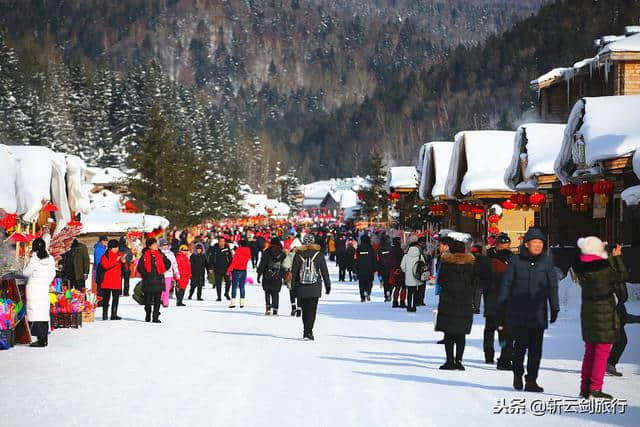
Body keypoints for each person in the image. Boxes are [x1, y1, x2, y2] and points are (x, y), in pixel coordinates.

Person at [497, 228, 559, 393]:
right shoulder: (516, 261)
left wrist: (554, 307)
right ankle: (518, 373)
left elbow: (552, 285)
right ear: (526, 244)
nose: (538, 246)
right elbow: (506, 285)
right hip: (518, 311)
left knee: (536, 350)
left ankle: (531, 380)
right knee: (520, 347)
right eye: (535, 242)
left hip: (538, 313)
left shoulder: (546, 261)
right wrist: (501, 307)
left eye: (541, 243)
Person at [573, 237, 626, 399]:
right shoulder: (603, 270)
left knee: (589, 352)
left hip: (588, 314)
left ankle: (585, 387)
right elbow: (622, 275)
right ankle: (595, 388)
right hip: (604, 314)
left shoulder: (582, 268)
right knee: (602, 352)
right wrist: (616, 256)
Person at [435, 238, 476, 370]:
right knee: (461, 333)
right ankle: (459, 360)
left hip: (448, 301)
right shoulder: (470, 265)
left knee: (449, 333)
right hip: (464, 301)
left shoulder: (446, 264)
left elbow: (440, 281)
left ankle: (449, 360)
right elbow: (475, 282)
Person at [291, 234, 331, 340]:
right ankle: (309, 331)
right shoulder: (319, 255)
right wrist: (328, 285)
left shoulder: (298, 254)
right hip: (315, 287)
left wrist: (293, 288)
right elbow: (324, 272)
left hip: (301, 286)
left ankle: (305, 331)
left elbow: (294, 272)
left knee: (304, 310)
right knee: (312, 310)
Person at [483, 234, 513, 368]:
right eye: (502, 246)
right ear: (497, 245)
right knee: (490, 328)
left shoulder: (512, 259)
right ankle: (488, 354)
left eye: (507, 246)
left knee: (504, 330)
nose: (505, 249)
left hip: (506, 300)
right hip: (492, 297)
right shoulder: (488, 258)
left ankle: (504, 355)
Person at [23, 238, 56, 347]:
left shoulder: (34, 260)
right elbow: (53, 274)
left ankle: (40, 340)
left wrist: (29, 258)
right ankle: (44, 339)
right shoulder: (50, 259)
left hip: (34, 289)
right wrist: (46, 281)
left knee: (36, 314)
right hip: (44, 288)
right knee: (43, 314)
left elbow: (25, 273)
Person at [138, 238, 171, 323]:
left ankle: (155, 316)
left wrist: (163, 269)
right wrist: (145, 274)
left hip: (159, 280)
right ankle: (148, 313)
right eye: (155, 244)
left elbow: (168, 263)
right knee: (147, 301)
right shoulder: (145, 255)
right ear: (150, 246)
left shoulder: (160, 254)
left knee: (157, 301)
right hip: (148, 281)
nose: (157, 245)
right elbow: (140, 267)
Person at [257, 237, 286, 315]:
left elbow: (262, 264)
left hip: (267, 275)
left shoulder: (266, 252)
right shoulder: (282, 253)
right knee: (275, 293)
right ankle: (275, 309)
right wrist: (283, 275)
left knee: (267, 292)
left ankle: (268, 308)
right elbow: (284, 266)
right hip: (277, 276)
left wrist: (259, 274)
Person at [99, 239, 124, 320]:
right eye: (115, 247)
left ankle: (114, 314)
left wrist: (123, 262)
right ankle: (105, 315)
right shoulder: (105, 256)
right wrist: (115, 261)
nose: (117, 249)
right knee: (106, 300)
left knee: (116, 299)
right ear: (110, 248)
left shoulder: (119, 255)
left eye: (117, 247)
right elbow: (105, 266)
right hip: (107, 281)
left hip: (116, 281)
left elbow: (124, 268)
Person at [227, 240, 251, 308]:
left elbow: (234, 261)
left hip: (236, 270)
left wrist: (229, 270)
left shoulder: (238, 250)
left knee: (234, 286)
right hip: (244, 270)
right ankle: (242, 303)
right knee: (242, 286)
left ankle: (233, 302)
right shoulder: (248, 251)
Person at [207, 236, 233, 301]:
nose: (222, 243)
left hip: (226, 269)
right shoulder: (214, 249)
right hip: (217, 268)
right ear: (218, 242)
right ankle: (219, 297)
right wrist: (210, 268)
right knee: (218, 283)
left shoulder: (227, 249)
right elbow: (211, 259)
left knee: (228, 282)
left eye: (223, 241)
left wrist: (231, 267)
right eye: (220, 241)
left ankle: (226, 293)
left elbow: (231, 259)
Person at [401, 243, 423, 313]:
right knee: (416, 292)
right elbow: (423, 266)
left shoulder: (406, 256)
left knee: (409, 292)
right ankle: (414, 306)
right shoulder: (420, 256)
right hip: (417, 277)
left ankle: (409, 306)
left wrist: (406, 271)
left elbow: (402, 266)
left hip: (409, 278)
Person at [355, 235, 377, 302]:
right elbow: (374, 259)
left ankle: (362, 297)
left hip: (360, 269)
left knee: (361, 284)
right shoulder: (371, 249)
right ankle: (368, 292)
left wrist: (355, 269)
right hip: (369, 269)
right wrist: (375, 269)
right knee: (369, 283)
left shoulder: (358, 249)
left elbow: (355, 259)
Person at [160, 239, 179, 307]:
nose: (165, 246)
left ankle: (165, 302)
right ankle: (161, 299)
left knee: (167, 288)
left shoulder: (171, 253)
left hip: (169, 274)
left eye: (166, 245)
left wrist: (176, 272)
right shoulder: (159, 253)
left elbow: (174, 263)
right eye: (164, 245)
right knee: (161, 288)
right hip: (161, 274)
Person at [378, 236, 395, 303]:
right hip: (391, 268)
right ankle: (389, 292)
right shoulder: (392, 248)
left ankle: (386, 295)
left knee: (385, 283)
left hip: (383, 268)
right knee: (391, 282)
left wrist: (378, 269)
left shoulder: (380, 248)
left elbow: (378, 259)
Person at [391, 237, 406, 308]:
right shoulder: (399, 250)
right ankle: (402, 301)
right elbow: (401, 260)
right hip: (400, 270)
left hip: (394, 270)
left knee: (396, 287)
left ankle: (395, 301)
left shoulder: (392, 249)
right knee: (403, 287)